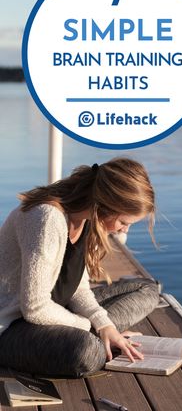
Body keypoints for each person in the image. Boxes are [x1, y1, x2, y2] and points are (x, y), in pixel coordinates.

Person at [0, 157, 160, 377]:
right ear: (105, 205)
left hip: (56, 312)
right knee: (86, 351)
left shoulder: (86, 220)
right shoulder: (46, 219)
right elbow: (34, 307)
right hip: (12, 326)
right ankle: (99, 340)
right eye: (124, 222)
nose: (124, 231)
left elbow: (78, 288)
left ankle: (105, 336)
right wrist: (89, 326)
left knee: (147, 290)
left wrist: (105, 325)